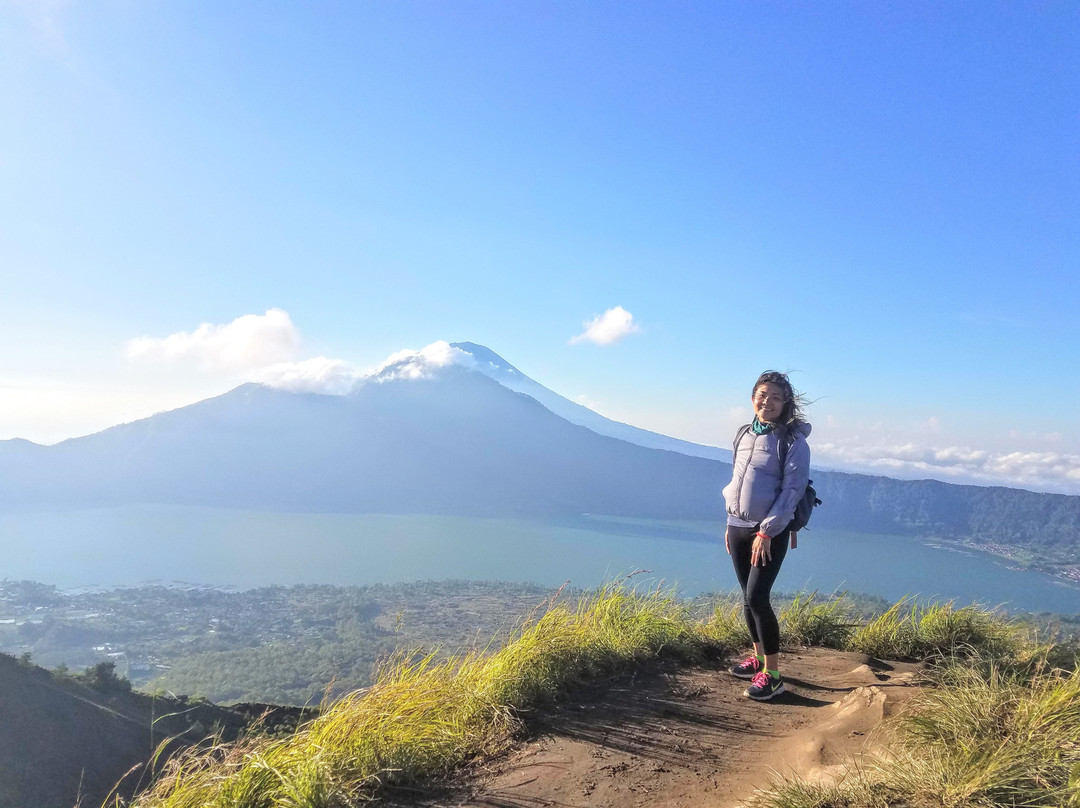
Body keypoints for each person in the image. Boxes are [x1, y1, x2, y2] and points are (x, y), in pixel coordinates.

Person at [722, 370, 811, 701]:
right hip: (738, 526)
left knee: (758, 597)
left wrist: (767, 531)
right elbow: (737, 480)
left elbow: (791, 491)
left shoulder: (792, 442)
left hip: (767, 533)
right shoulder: (744, 434)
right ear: (752, 398)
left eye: (775, 396)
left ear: (785, 403)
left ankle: (773, 676)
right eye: (762, 394)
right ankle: (758, 660)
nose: (767, 401)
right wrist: (730, 522)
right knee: (747, 597)